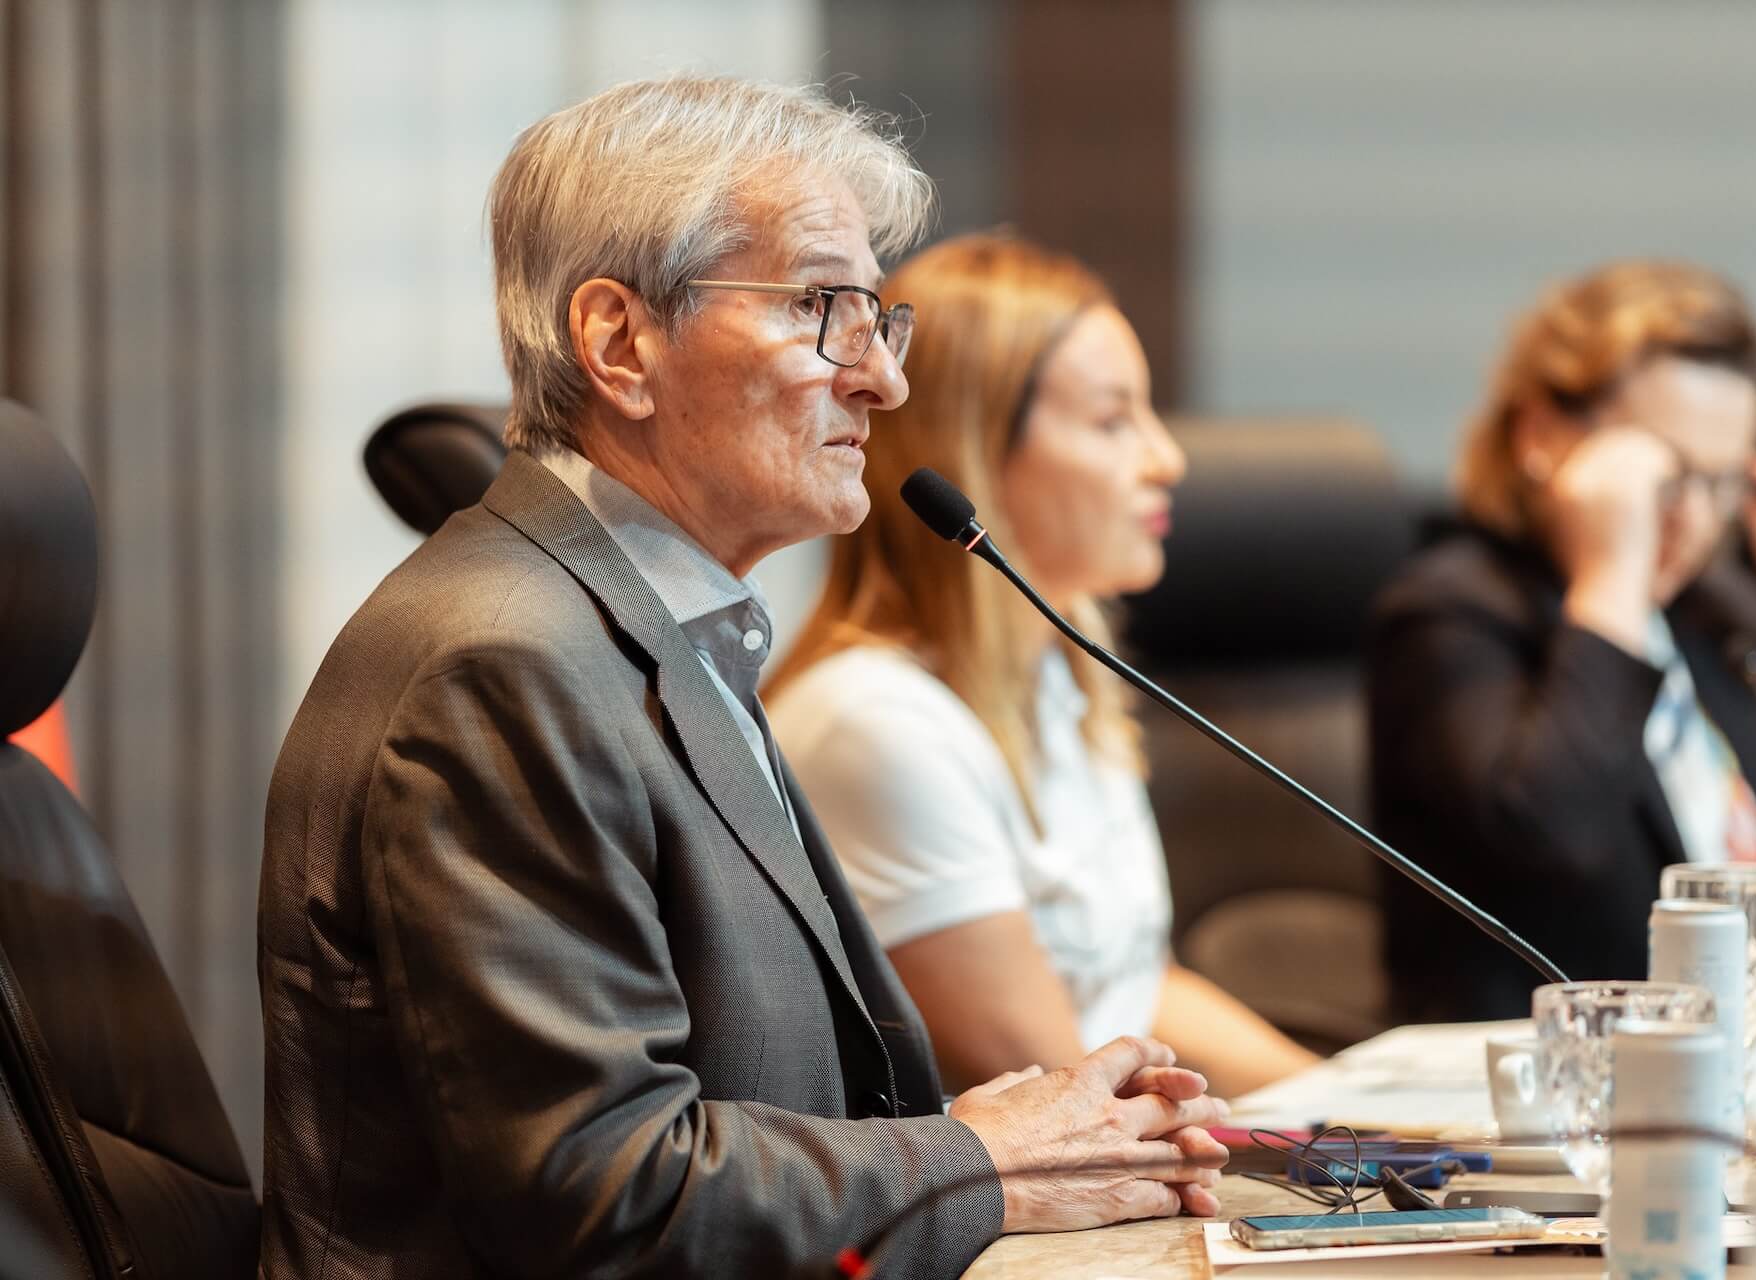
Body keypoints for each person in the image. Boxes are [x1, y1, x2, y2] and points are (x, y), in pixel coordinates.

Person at [257, 78, 1229, 1280]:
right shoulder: (500, 662)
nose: (884, 381)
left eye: (881, 318)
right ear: (621, 342)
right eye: (825, 308)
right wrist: (977, 1156)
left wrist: (1047, 1137)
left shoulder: (654, 625)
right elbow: (604, 1194)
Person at [767, 233, 1318, 1098]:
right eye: (1111, 421)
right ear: (976, 454)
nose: (1166, 459)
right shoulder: (875, 723)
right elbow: (1068, 1094)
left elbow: (1137, 993)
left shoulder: (1061, 685)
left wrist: (1379, 1108)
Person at [1368, 260, 1756, 1024]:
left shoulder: (1721, 616)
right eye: (1664, 470)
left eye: (1724, 482)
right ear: (1539, 437)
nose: (1694, 519)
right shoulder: (1449, 612)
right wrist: (1609, 584)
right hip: (1546, 1093)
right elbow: (1552, 839)